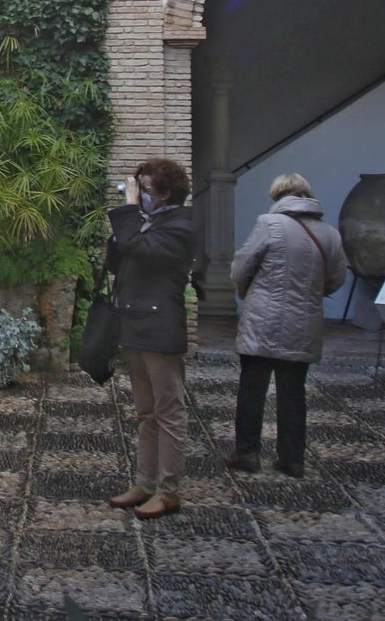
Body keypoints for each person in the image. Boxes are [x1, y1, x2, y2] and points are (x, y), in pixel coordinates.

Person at [223, 173, 349, 478]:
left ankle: (247, 453)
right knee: (293, 392)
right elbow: (336, 278)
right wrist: (311, 294)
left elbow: (242, 265)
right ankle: (292, 458)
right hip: (303, 321)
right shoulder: (330, 234)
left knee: (252, 388)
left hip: (262, 318)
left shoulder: (269, 224)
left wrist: (246, 292)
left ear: (277, 195)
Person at [106, 158, 196, 519]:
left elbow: (143, 251)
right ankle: (144, 482)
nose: (139, 195)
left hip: (160, 329)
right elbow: (120, 262)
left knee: (168, 411)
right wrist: (121, 235)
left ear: (165, 195)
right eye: (138, 187)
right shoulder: (152, 224)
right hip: (135, 324)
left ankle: (168, 490)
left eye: (145, 189)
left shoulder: (182, 226)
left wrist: (129, 211)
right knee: (145, 412)